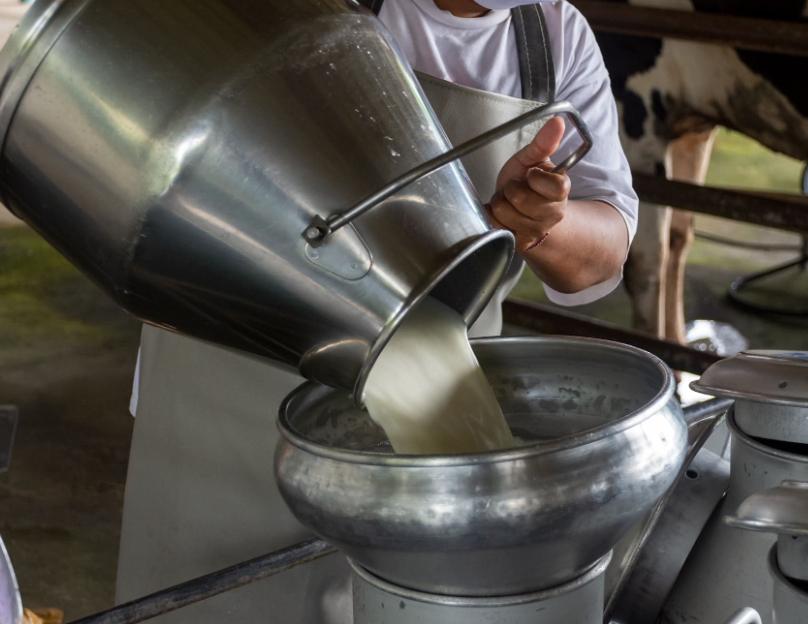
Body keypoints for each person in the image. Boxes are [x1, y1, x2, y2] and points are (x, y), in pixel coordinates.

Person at [116, 0, 637, 620]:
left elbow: (604, 252)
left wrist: (544, 222)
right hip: (230, 403)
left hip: (415, 446)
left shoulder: (551, 37)